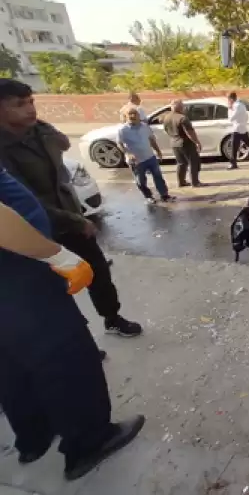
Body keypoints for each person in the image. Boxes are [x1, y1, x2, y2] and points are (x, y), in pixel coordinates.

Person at [0, 165, 145, 481]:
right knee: (65, 358)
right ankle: (89, 441)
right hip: (18, 273)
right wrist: (56, 255)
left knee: (12, 361)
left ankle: (34, 436)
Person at [0, 78, 142, 338]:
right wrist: (76, 221)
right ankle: (79, 338)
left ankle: (111, 318)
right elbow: (24, 201)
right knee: (55, 287)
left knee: (97, 271)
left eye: (31, 101)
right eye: (20, 104)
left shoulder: (38, 131)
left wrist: (43, 129)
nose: (31, 109)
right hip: (37, 228)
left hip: (70, 217)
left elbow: (65, 144)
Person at [117, 104, 175, 204]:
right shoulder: (123, 130)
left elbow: (151, 139)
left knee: (158, 177)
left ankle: (164, 195)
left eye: (134, 113)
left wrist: (158, 151)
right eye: (130, 114)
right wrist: (128, 153)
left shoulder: (144, 126)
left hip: (150, 157)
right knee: (141, 181)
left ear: (138, 115)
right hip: (137, 161)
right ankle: (148, 196)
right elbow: (120, 144)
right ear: (126, 116)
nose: (132, 116)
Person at [162, 99, 203, 187]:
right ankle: (195, 182)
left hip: (174, 143)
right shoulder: (182, 118)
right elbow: (189, 132)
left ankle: (181, 182)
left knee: (181, 163)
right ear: (180, 107)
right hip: (185, 143)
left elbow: (166, 129)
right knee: (193, 162)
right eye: (182, 106)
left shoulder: (166, 117)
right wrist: (197, 142)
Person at [227, 91, 249, 169]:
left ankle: (233, 163)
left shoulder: (236, 106)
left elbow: (231, 118)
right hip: (242, 127)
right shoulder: (241, 105)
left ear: (231, 99)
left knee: (234, 147)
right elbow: (246, 116)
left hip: (237, 128)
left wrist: (229, 109)